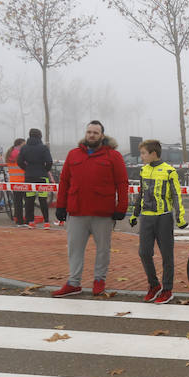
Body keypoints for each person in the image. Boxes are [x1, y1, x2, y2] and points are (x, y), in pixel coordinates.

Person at [52, 121, 129, 297]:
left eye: (95, 132)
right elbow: (64, 182)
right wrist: (60, 205)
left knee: (103, 249)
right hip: (77, 211)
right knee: (74, 249)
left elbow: (122, 183)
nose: (91, 135)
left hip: (103, 212)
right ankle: (73, 283)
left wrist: (121, 207)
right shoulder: (73, 155)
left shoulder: (114, 156)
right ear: (85, 134)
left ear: (102, 135)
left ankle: (99, 280)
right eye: (89, 132)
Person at [128, 139, 188, 304]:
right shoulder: (143, 170)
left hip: (164, 218)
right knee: (144, 253)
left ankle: (167, 290)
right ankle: (154, 285)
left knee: (167, 256)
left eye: (143, 153)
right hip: (146, 218)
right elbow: (140, 194)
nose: (141, 157)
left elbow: (177, 195)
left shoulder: (169, 171)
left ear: (153, 154)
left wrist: (180, 217)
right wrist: (135, 214)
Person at [17, 128, 54, 229]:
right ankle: (46, 222)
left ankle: (31, 222)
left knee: (29, 200)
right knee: (43, 200)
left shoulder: (24, 148)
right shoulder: (43, 148)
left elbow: (19, 161)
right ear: (40, 136)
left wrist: (27, 169)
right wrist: (44, 170)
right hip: (42, 177)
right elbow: (49, 162)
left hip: (29, 177)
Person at [5, 138, 26, 226]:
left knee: (17, 201)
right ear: (20, 144)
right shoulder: (20, 154)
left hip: (13, 180)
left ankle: (17, 218)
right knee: (24, 201)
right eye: (24, 144)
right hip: (21, 180)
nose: (25, 145)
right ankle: (21, 221)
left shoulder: (10, 153)